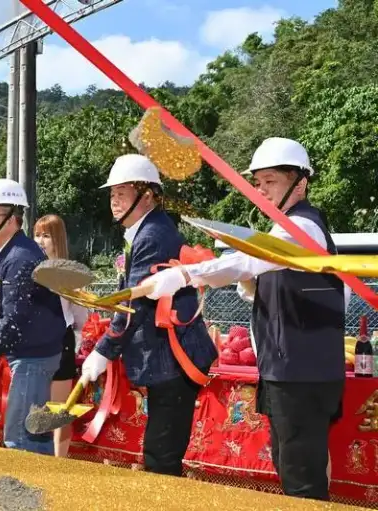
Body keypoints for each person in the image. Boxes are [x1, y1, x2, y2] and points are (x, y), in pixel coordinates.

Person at [140, 138, 347, 500]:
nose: (260, 191)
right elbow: (267, 274)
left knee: (301, 478)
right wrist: (251, 285)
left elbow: (252, 258)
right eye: (258, 183)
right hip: (290, 371)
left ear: (300, 183)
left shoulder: (302, 227)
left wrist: (188, 275)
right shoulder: (286, 230)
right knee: (297, 465)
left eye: (271, 182)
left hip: (301, 373)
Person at [81, 154, 217, 476]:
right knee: (160, 455)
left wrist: (103, 350)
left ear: (147, 195)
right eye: (112, 194)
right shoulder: (148, 231)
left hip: (173, 360)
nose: (114, 202)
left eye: (122, 194)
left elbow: (135, 303)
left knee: (161, 459)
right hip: (167, 361)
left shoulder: (153, 235)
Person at [0, 179, 66, 455]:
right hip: (33, 354)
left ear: (11, 218)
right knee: (31, 436)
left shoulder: (20, 257)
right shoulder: (13, 252)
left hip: (33, 357)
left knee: (21, 439)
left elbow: (15, 318)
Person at [34, 214, 88, 458]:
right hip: (33, 346)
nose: (40, 241)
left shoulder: (69, 273)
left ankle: (60, 462)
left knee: (59, 410)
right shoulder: (29, 268)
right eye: (37, 234)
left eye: (46, 235)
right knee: (37, 408)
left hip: (61, 343)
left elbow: (81, 318)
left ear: (58, 239)